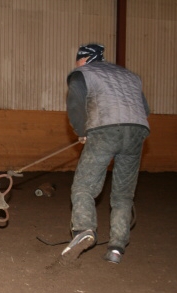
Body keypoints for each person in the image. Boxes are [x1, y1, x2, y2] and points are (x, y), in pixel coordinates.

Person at [60, 44, 150, 264]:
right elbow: (145, 109)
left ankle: (83, 229)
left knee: (84, 187)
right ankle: (116, 249)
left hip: (105, 130)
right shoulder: (130, 76)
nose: (75, 64)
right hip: (138, 130)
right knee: (123, 195)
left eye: (78, 59)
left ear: (86, 59)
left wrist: (82, 132)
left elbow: (75, 104)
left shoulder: (82, 74)